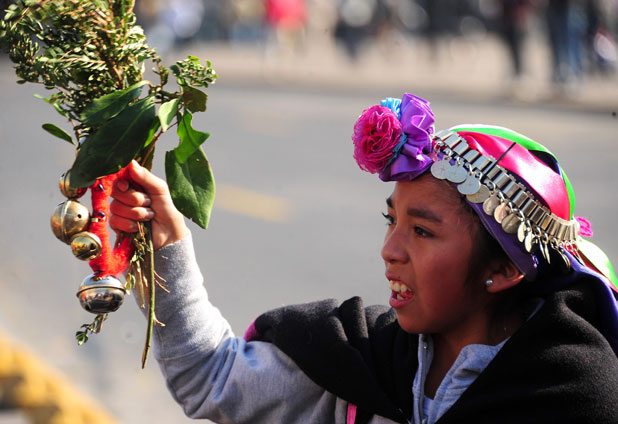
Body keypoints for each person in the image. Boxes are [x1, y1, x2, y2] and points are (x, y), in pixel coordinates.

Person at [109, 93, 618, 423]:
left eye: (421, 231)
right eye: (390, 220)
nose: (390, 250)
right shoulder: (362, 362)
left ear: (504, 268)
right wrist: (167, 249)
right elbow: (212, 378)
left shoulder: (576, 399)